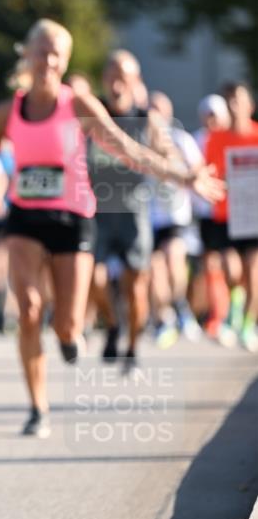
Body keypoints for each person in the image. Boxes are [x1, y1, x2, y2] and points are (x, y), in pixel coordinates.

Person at [0, 20, 222, 438]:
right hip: (25, 217)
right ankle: (38, 408)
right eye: (42, 51)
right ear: (27, 55)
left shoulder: (79, 105)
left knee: (67, 325)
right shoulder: (6, 111)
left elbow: (129, 149)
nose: (48, 61)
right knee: (30, 311)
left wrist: (184, 177)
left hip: (73, 219)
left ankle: (72, 335)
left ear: (66, 59)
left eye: (57, 53)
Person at [88, 51, 181, 373]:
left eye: (123, 76)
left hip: (134, 211)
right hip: (97, 211)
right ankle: (113, 324)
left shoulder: (147, 119)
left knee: (136, 286)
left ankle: (131, 349)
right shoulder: (93, 114)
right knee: (93, 278)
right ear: (104, 78)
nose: (116, 82)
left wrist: (177, 171)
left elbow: (168, 153)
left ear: (134, 82)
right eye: (111, 74)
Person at [147, 91, 204, 347]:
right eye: (152, 109)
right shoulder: (139, 141)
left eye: (160, 109)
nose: (156, 114)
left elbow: (197, 171)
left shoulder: (181, 140)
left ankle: (180, 305)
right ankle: (164, 317)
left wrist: (170, 157)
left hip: (176, 214)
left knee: (173, 260)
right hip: (148, 216)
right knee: (153, 269)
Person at [204, 82, 258, 351]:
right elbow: (210, 175)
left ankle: (248, 326)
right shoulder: (216, 138)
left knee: (253, 271)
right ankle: (235, 305)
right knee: (231, 269)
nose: (234, 105)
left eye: (239, 99)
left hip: (253, 216)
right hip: (225, 216)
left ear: (251, 105)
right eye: (230, 100)